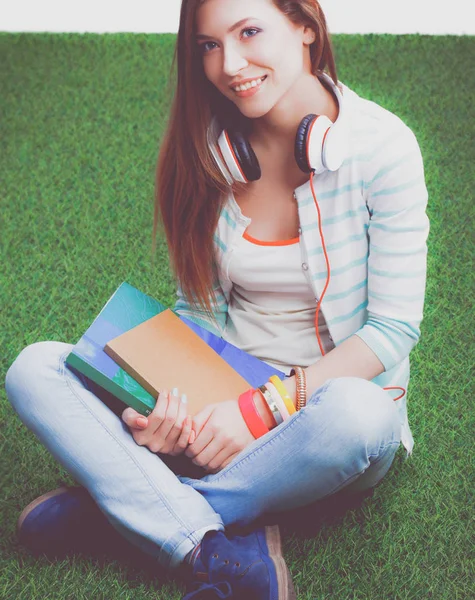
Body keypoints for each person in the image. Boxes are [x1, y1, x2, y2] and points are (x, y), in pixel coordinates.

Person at [5, 0, 430, 598]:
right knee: (35, 368)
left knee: (361, 416)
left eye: (250, 31)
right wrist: (172, 411)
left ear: (306, 26)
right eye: (208, 45)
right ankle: (204, 536)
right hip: (219, 393)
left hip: (325, 407)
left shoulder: (385, 150)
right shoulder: (210, 149)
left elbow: (391, 332)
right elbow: (199, 311)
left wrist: (260, 411)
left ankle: (133, 509)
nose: (229, 64)